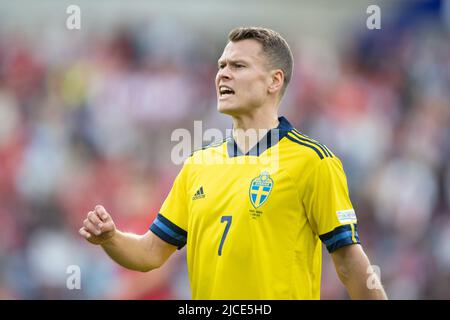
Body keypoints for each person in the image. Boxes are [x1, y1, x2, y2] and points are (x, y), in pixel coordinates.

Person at [79, 27, 387, 300]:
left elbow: (348, 262)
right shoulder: (198, 165)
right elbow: (150, 253)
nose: (223, 74)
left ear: (274, 81)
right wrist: (111, 238)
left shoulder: (312, 161)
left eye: (238, 66)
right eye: (221, 66)